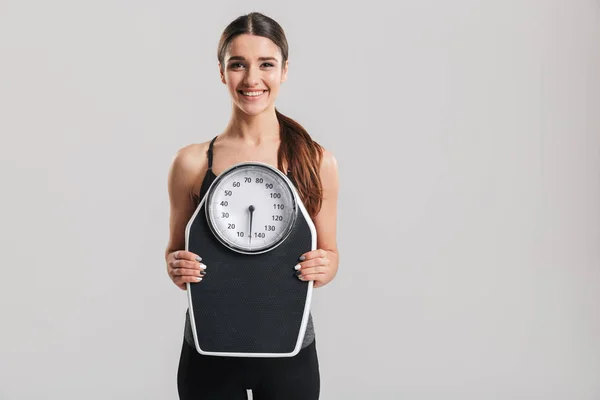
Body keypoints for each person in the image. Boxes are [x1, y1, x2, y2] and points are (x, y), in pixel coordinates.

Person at [164, 12, 339, 399]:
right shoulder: (192, 163)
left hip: (289, 349)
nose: (252, 79)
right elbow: (176, 253)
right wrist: (177, 265)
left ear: (285, 70)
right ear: (222, 72)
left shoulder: (315, 161)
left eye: (266, 64)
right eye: (238, 64)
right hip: (208, 350)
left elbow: (330, 254)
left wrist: (325, 265)